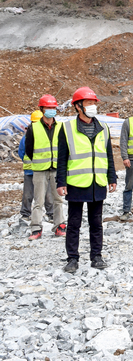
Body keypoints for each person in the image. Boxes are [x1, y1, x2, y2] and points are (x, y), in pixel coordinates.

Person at [57, 87, 117, 273]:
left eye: (94, 103)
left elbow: (108, 156)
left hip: (97, 183)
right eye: (89, 103)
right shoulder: (66, 129)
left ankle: (96, 256)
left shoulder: (104, 128)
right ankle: (72, 258)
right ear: (78, 106)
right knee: (74, 223)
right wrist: (61, 182)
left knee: (96, 222)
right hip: (76, 183)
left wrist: (111, 177)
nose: (93, 106)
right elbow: (62, 159)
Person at [25, 96, 66, 240]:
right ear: (42, 109)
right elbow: (29, 149)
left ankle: (59, 226)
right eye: (48, 108)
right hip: (40, 169)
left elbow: (64, 148)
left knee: (58, 199)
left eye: (53, 108)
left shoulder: (61, 127)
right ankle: (36, 228)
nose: (51, 111)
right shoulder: (33, 128)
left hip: (56, 168)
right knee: (39, 201)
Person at [19, 111, 54, 221]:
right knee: (29, 194)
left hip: (42, 169)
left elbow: (22, 152)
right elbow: (22, 152)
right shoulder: (27, 137)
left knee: (47, 194)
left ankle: (50, 213)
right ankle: (26, 213)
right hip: (32, 171)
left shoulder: (45, 136)